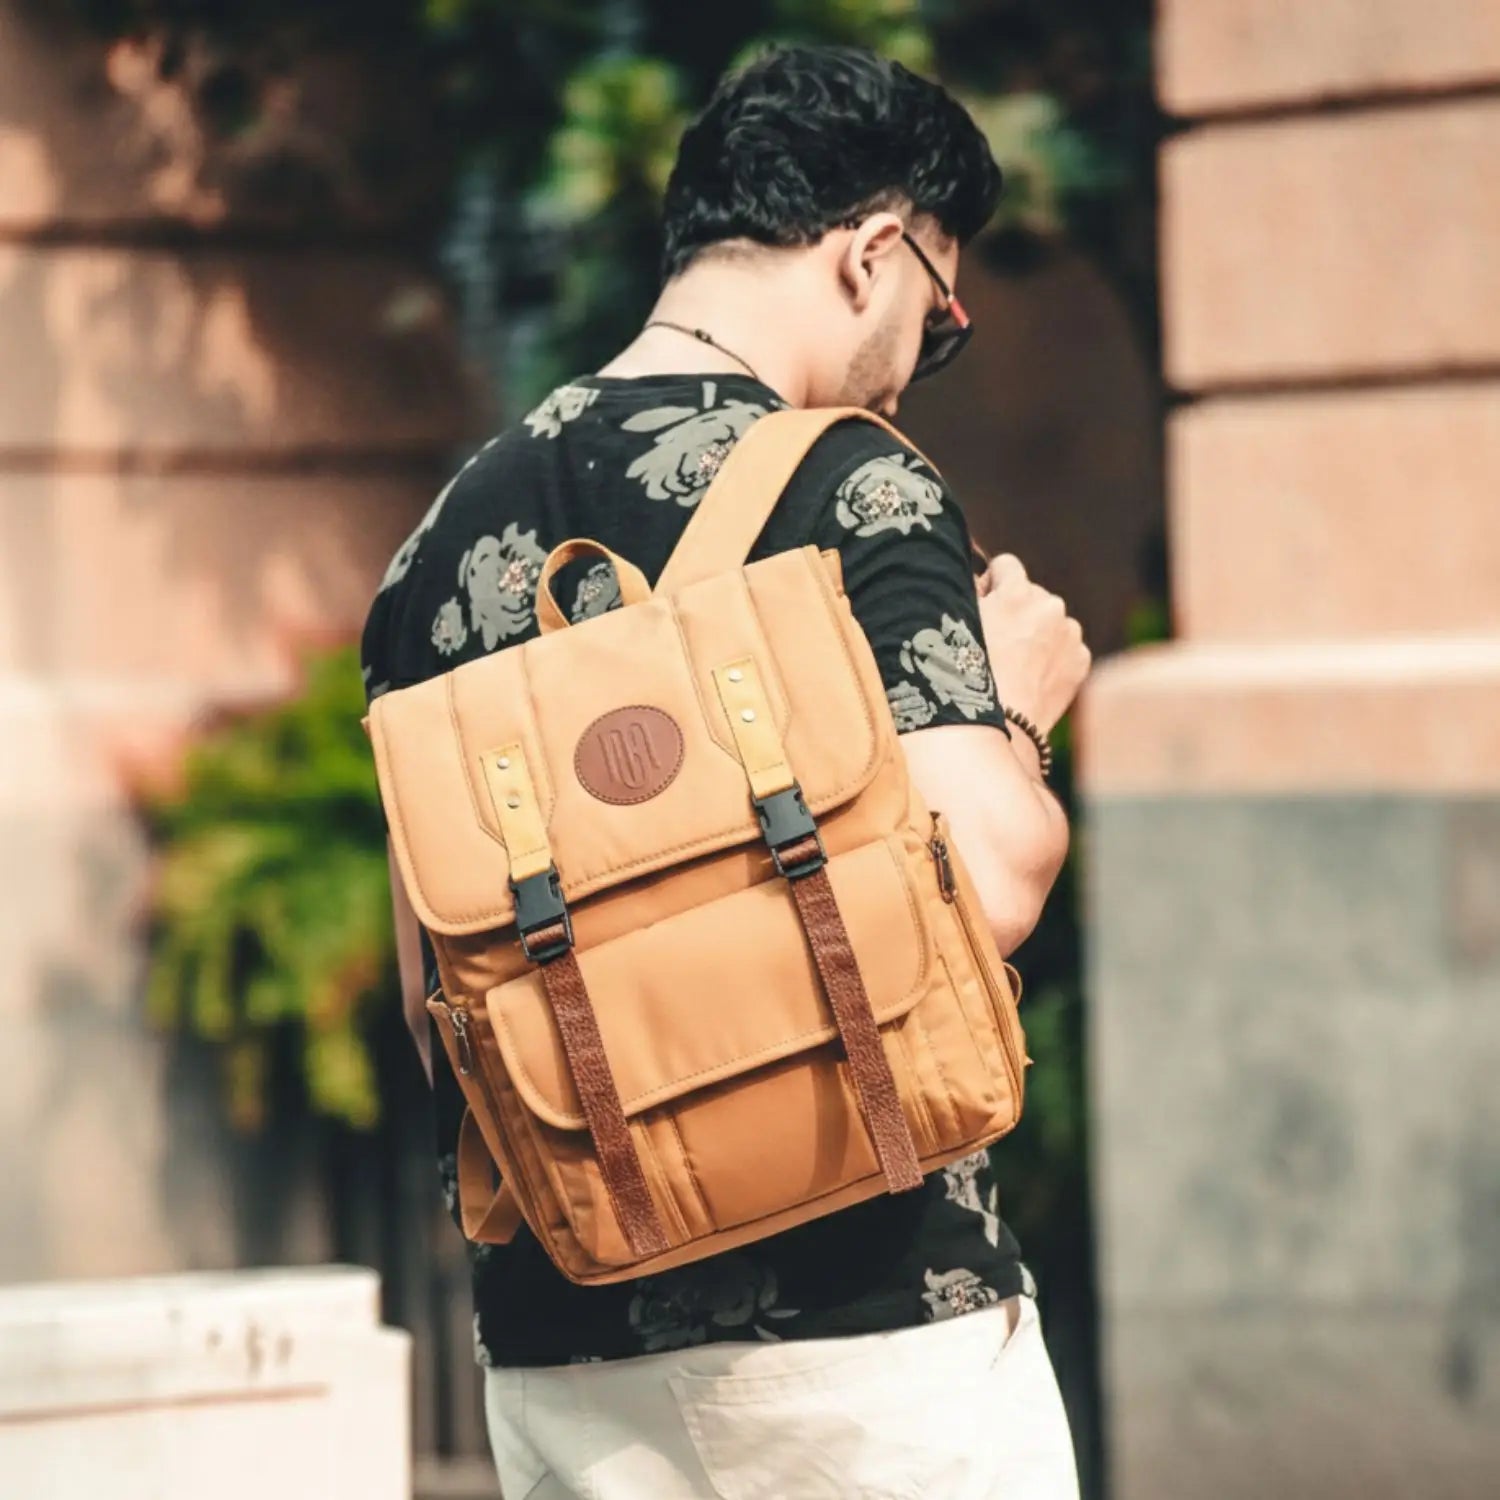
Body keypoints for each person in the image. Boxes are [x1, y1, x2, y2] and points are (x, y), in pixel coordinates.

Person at [362, 43, 1090, 1500]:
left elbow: (435, 1006)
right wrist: (1014, 709)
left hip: (566, 1351)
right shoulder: (856, 486)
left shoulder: (436, 550)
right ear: (873, 255)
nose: (922, 355)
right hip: (868, 1331)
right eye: (938, 314)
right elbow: (990, 881)